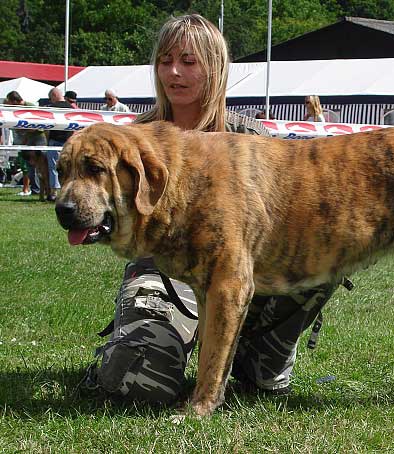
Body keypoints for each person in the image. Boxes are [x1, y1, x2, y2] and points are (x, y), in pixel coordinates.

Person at [88, 13, 338, 404]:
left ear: (215, 68)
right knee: (135, 384)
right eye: (165, 60)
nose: (174, 72)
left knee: (324, 254)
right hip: (165, 277)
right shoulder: (135, 139)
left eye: (189, 61)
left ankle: (261, 362)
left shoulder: (249, 137)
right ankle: (135, 349)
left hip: (250, 280)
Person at [5, 90, 47, 196]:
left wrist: (24, 130)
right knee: (29, 166)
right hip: (27, 140)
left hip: (37, 138)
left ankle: (43, 189)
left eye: (9, 103)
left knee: (40, 166)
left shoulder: (31, 107)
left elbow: (39, 125)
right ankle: (36, 190)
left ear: (14, 101)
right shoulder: (18, 109)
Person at [46, 88, 74, 202]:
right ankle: (67, 191)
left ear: (53, 96)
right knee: (69, 168)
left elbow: (47, 127)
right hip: (68, 141)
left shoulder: (52, 108)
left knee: (53, 167)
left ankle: (54, 192)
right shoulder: (71, 108)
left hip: (54, 141)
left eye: (50, 98)